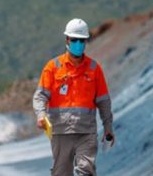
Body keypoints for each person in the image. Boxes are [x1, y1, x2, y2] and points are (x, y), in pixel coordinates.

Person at [33, 18, 115, 176]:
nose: (78, 43)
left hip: (86, 132)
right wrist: (41, 114)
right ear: (67, 40)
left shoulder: (94, 69)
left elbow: (103, 102)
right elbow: (41, 96)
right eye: (74, 40)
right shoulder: (53, 67)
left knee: (86, 171)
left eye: (82, 40)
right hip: (61, 132)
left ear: (86, 42)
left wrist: (108, 127)